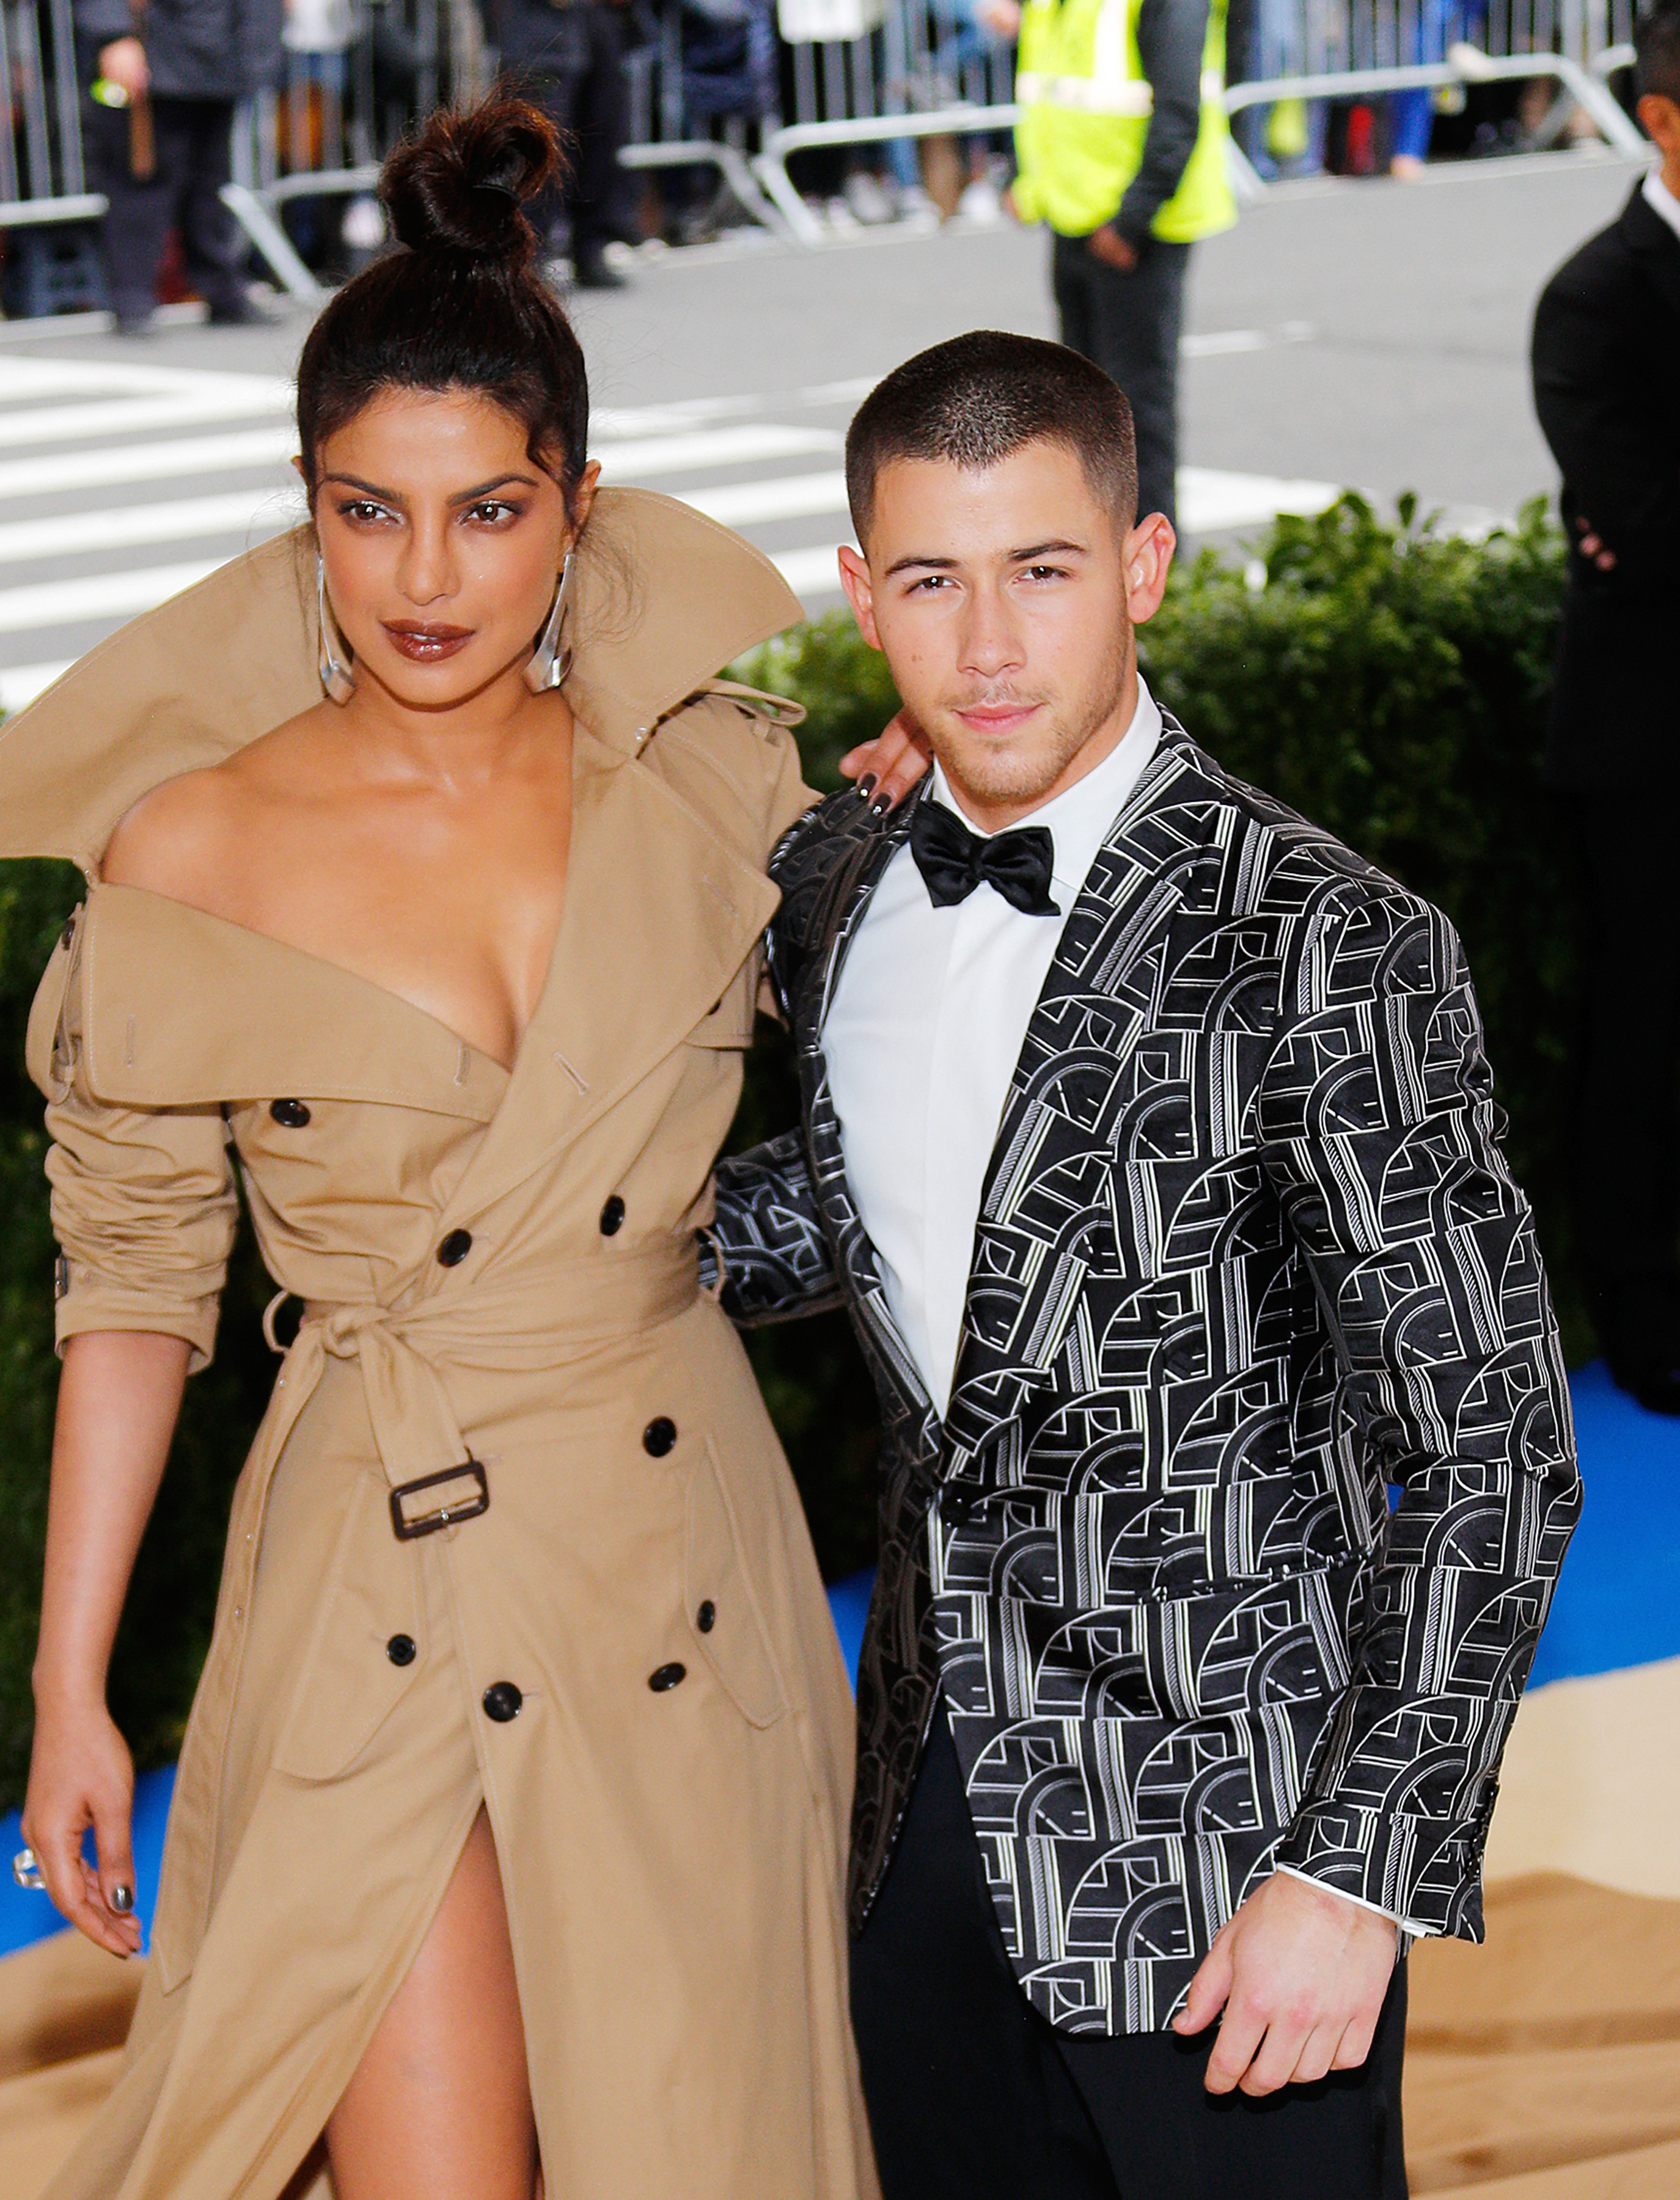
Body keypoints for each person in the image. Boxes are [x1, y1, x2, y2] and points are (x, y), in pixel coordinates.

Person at [0, 96, 908, 2200]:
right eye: (368, 515)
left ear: (576, 511)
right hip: (373, 1555)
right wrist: (68, 1684)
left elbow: (932, 1088)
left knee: (696, 2152)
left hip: (674, 1558)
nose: (427, 577)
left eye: (486, 513)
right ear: (306, 512)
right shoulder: (184, 848)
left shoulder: (712, 788)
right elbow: (132, 1289)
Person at [708, 330, 1581, 2200]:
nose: (989, 648)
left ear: (1144, 566)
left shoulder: (1329, 942)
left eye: (1041, 570)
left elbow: (1497, 1453)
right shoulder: (836, 879)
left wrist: (1352, 1872)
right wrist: (574, 1254)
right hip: (922, 1838)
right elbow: (880, 1218)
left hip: (1235, 1850)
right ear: (860, 595)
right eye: (930, 582)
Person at [1530, 1, 1680, 1415]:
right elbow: (1651, 520)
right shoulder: (1595, 298)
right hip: (1650, 747)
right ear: (1663, 120)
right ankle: (1645, 1315)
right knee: (1646, 1026)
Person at [997, 0, 1236, 532]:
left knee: (1134, 410)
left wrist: (1133, 219)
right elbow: (1046, 88)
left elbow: (1178, 106)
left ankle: (1153, 565)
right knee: (1080, 406)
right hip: (1075, 214)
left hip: (1132, 229)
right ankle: (1096, 557)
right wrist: (1024, 178)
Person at [75, 0, 282, 333]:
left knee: (210, 186)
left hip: (221, 60)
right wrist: (114, 37)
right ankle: (133, 297)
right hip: (158, 53)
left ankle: (221, 289)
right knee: (143, 183)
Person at [490, 0, 637, 287]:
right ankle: (527, 256)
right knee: (539, 143)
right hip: (537, 25)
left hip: (595, 16)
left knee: (603, 129)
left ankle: (591, 246)